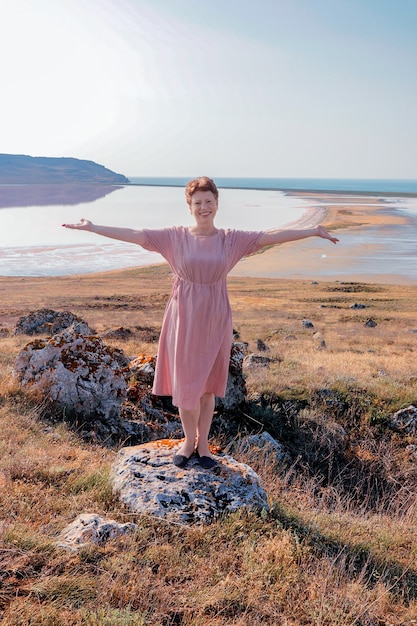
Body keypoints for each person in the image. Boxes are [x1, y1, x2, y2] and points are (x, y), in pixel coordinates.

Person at [63, 176, 339, 469]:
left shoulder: (231, 239)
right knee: (184, 384)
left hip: (215, 316)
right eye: (198, 203)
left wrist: (313, 230)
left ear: (217, 204)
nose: (204, 207)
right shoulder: (174, 236)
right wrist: (94, 228)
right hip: (183, 316)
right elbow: (136, 234)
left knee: (207, 386)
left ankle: (204, 444)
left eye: (209, 202)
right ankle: (187, 441)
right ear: (189, 206)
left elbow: (270, 236)